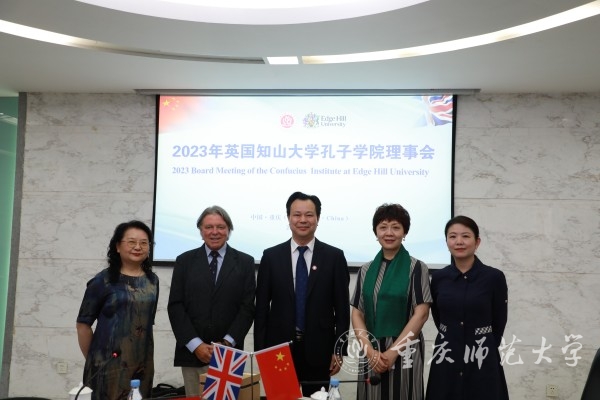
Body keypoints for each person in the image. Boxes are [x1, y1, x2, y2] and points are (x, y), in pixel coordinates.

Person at [254, 191, 350, 397]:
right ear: (288, 217)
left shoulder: (334, 257)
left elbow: (342, 310)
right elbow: (261, 309)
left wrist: (339, 349)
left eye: (309, 215)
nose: (303, 220)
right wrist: (261, 351)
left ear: (318, 218)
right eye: (297, 214)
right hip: (278, 350)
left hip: (320, 350)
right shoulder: (271, 257)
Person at [168, 205, 256, 396]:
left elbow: (247, 308)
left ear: (229, 230)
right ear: (201, 230)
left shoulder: (245, 262)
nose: (215, 232)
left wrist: (226, 344)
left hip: (229, 354)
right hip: (192, 354)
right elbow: (176, 306)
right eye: (209, 227)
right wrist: (196, 345)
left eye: (221, 227)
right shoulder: (184, 261)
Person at [351, 203, 432, 400]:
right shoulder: (365, 270)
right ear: (376, 232)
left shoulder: (417, 268)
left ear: (404, 232)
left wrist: (393, 352)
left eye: (396, 227)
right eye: (383, 227)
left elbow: (421, 314)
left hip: (406, 351)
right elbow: (357, 313)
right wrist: (369, 351)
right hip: (371, 350)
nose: (389, 233)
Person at [426, 215, 509, 400]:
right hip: (447, 353)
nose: (459, 242)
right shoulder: (439, 278)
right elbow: (438, 317)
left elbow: (499, 321)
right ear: (446, 242)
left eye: (465, 236)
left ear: (477, 242)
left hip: (482, 354)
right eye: (453, 236)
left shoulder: (494, 277)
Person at [76, 220, 159, 400]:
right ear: (117, 247)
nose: (138, 247)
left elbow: (145, 325)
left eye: (144, 243)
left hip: (142, 365)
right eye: (131, 242)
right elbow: (83, 325)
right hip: (108, 366)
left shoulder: (152, 281)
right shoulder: (102, 281)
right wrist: (95, 361)